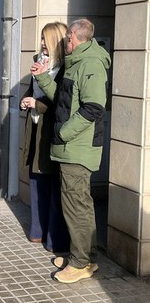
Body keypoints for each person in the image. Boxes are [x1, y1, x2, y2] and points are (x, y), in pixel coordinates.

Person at [31, 18, 111, 284]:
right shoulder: (76, 62)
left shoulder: (90, 64)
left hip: (77, 148)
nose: (64, 42)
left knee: (76, 206)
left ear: (74, 38)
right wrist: (42, 76)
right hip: (70, 148)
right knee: (78, 205)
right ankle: (85, 255)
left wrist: (63, 133)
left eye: (67, 38)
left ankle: (80, 263)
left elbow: (93, 108)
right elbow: (63, 100)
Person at [20, 22, 69, 253]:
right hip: (35, 128)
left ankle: (54, 239)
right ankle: (37, 232)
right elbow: (33, 89)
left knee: (51, 183)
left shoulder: (65, 67)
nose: (41, 43)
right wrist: (26, 99)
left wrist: (36, 104)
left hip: (51, 131)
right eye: (40, 38)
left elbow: (61, 102)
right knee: (36, 180)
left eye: (45, 39)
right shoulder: (39, 61)